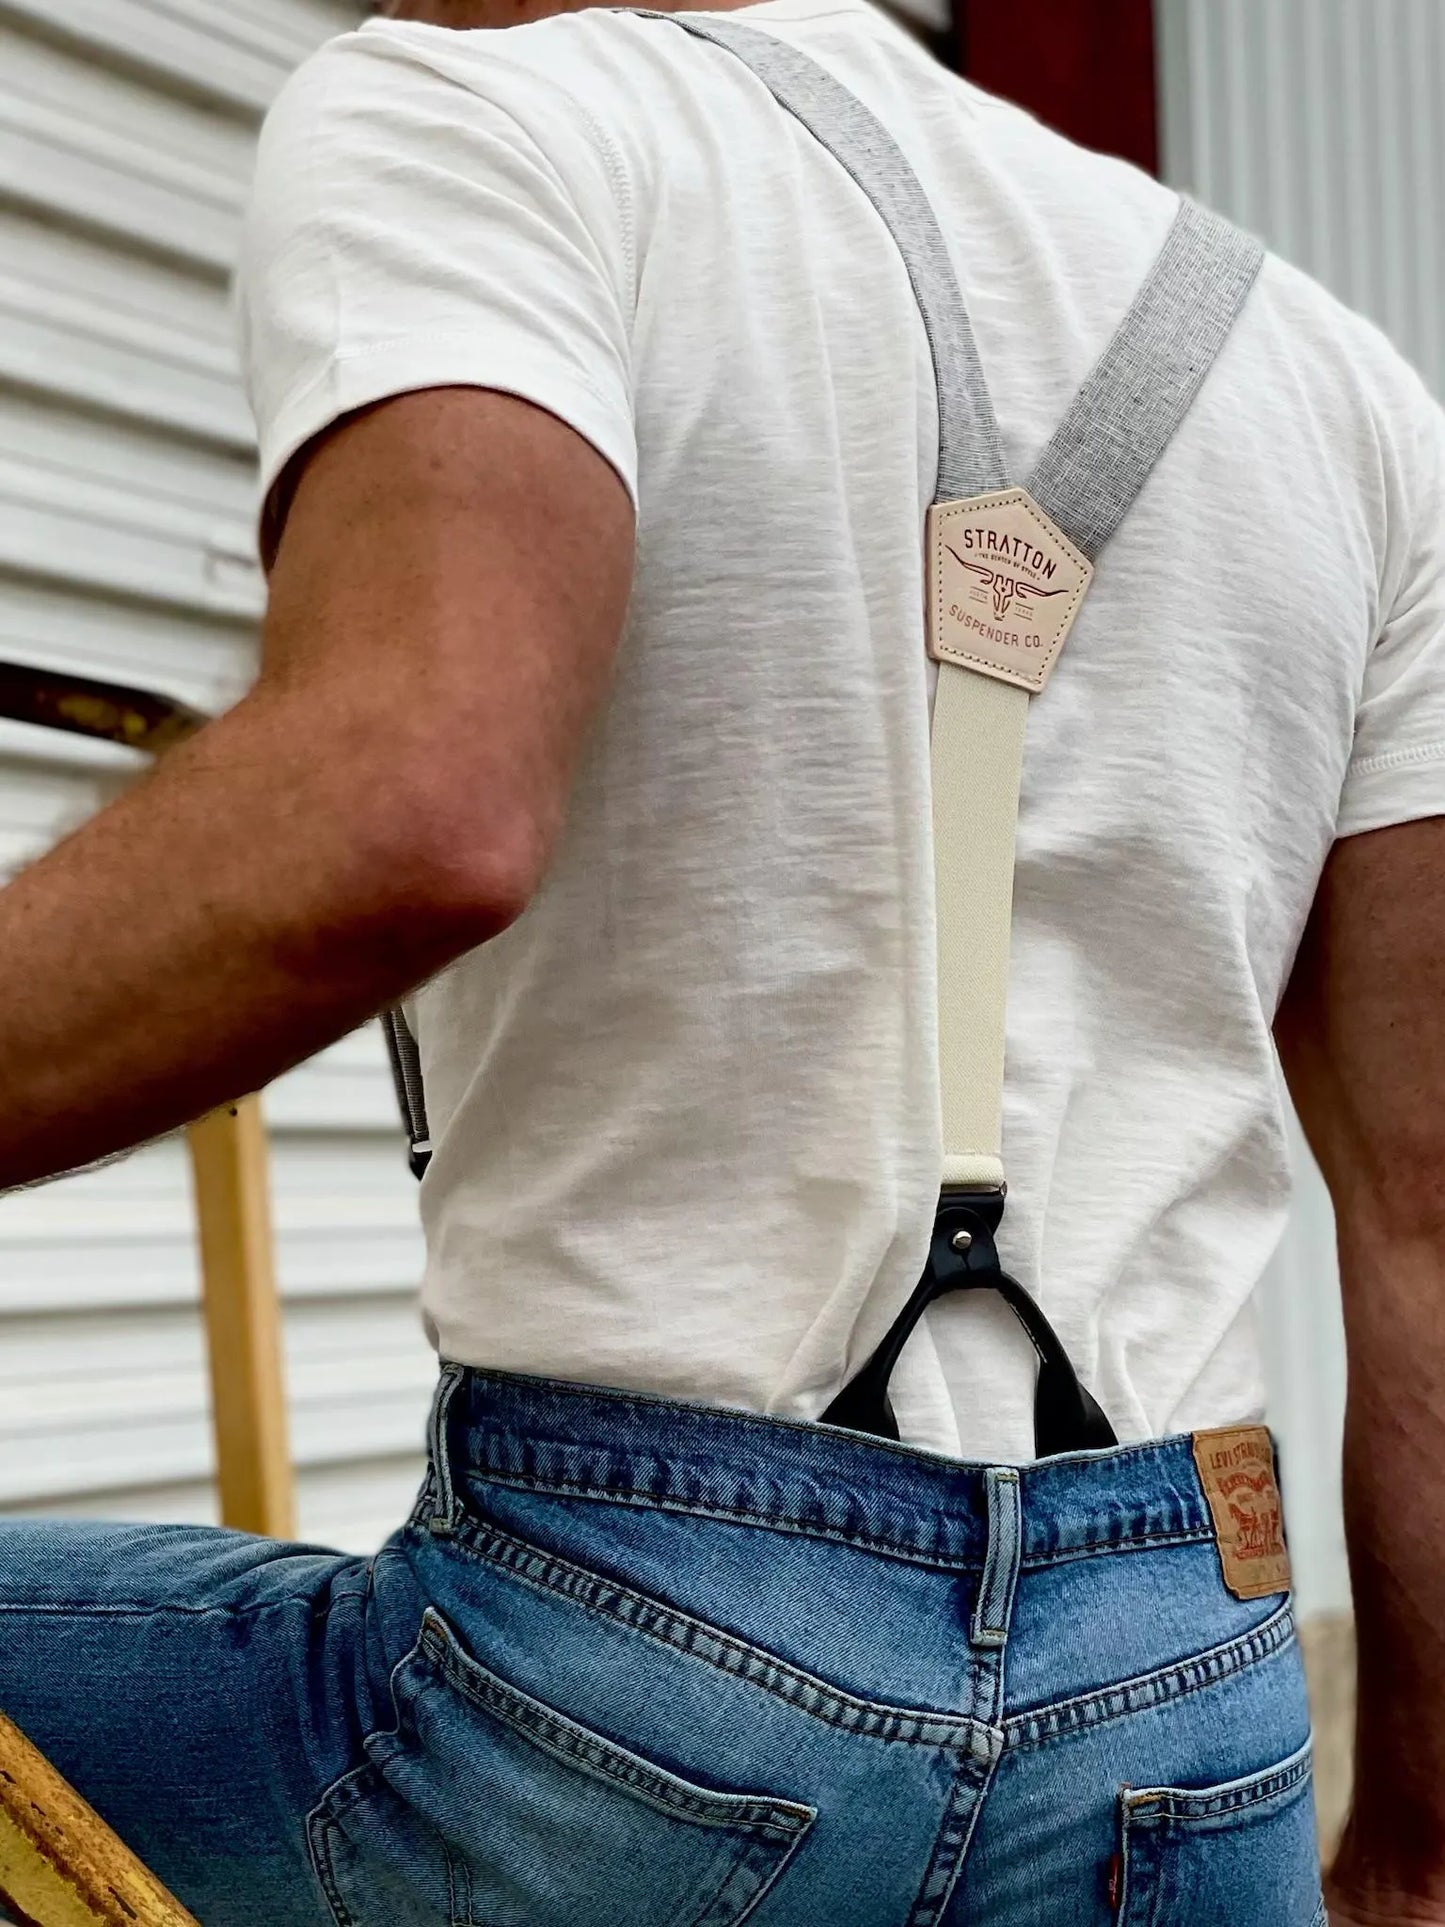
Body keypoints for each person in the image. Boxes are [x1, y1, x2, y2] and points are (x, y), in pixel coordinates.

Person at [0, 0, 1440, 1920]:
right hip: (1187, 1681)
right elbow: (1424, 1218)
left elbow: (406, 800)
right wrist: (1417, 1857)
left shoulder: (473, 119)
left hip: (645, 1681)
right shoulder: (1342, 386)